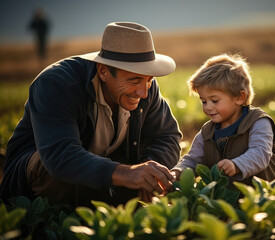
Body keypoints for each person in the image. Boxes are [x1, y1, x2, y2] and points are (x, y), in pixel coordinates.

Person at [0, 22, 182, 207]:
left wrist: (148, 170)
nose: (143, 92)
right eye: (134, 80)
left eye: (149, 80)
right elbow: (60, 155)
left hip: (101, 174)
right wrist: (126, 173)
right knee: (51, 168)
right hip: (39, 182)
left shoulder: (145, 86)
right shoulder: (56, 84)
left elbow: (167, 136)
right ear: (103, 71)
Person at [171, 54, 275, 185]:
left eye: (214, 100)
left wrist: (237, 165)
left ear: (240, 97)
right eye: (203, 101)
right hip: (228, 199)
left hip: (265, 197)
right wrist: (178, 172)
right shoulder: (207, 132)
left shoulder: (258, 122)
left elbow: (260, 154)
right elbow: (193, 160)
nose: (208, 107)